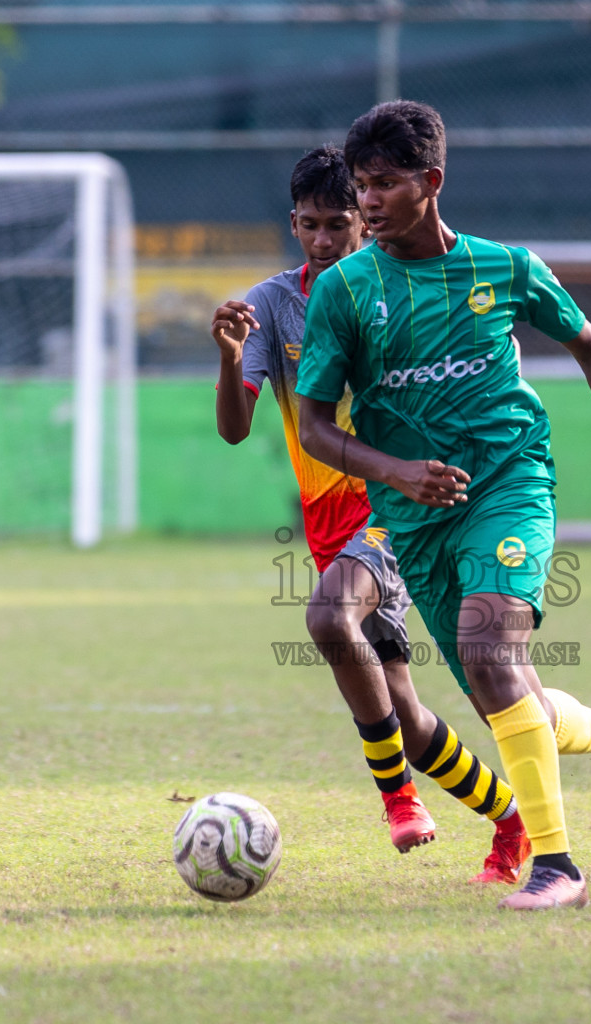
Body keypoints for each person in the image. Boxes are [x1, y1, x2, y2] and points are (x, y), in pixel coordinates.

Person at [295, 101, 591, 911]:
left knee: (487, 651)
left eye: (385, 184)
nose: (367, 202)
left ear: (431, 183)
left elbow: (590, 344)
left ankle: (558, 868)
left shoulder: (504, 268)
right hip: (415, 519)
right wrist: (394, 473)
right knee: (511, 695)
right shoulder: (345, 292)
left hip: (508, 481)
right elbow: (315, 428)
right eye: (362, 185)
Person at [210, 146, 530, 884]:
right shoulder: (268, 306)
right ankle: (511, 820)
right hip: (331, 529)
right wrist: (230, 359)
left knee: (326, 619)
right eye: (310, 226)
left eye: (339, 225)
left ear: (366, 221)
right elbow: (233, 429)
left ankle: (399, 802)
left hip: (395, 509)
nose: (324, 242)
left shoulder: (391, 293)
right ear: (294, 223)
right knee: (410, 721)